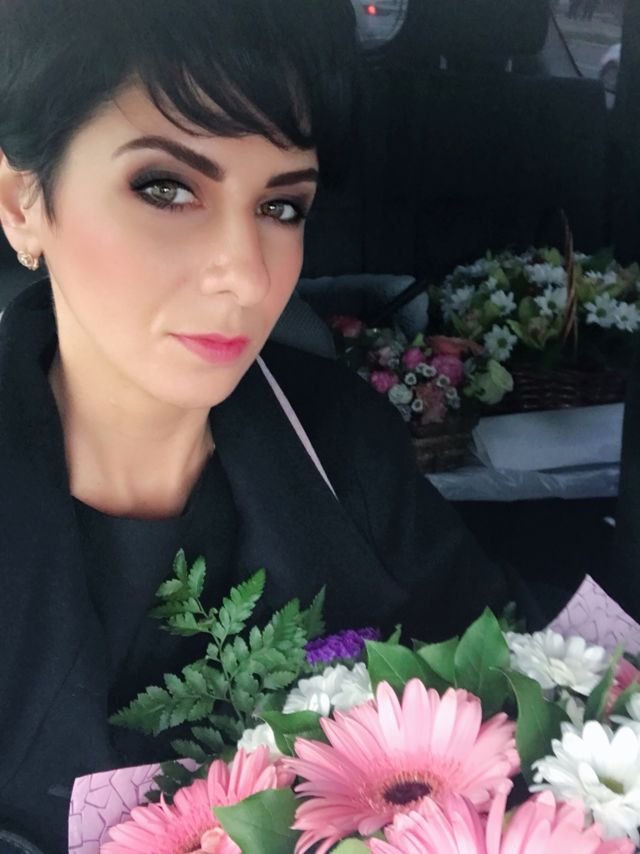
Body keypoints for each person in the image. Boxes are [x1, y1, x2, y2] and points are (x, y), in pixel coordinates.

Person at [0, 1, 514, 850]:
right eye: (166, 188)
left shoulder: (343, 443)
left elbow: (503, 690)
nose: (244, 273)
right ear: (23, 202)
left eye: (281, 207)